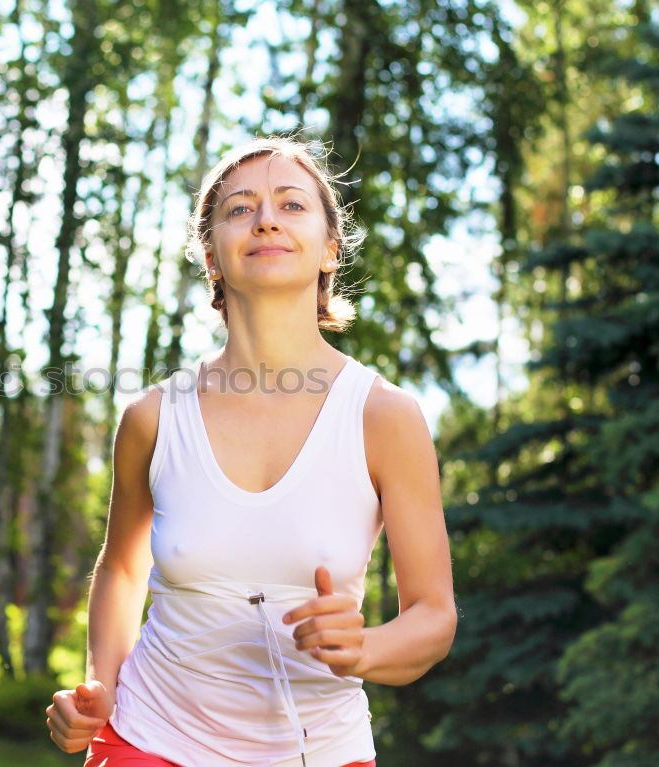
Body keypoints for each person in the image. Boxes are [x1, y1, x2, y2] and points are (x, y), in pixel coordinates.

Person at [45, 135, 457, 766]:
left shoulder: (384, 416)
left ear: (328, 249)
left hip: (321, 750)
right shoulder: (153, 418)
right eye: (239, 208)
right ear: (212, 257)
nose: (265, 217)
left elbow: (433, 616)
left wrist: (366, 649)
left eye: (292, 205)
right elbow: (124, 569)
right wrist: (99, 683)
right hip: (151, 738)